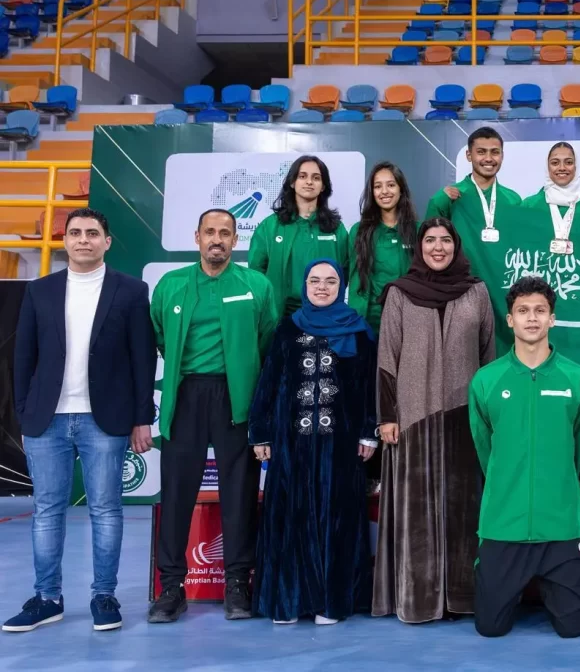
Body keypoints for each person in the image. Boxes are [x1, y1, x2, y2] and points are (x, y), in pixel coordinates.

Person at [5, 208, 156, 634]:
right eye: (75, 233)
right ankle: (47, 598)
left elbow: (142, 358)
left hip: (104, 419)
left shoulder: (131, 290)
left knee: (106, 509)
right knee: (46, 510)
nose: (83, 239)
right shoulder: (40, 290)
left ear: (107, 242)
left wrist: (141, 418)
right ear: (65, 241)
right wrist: (24, 412)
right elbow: (23, 356)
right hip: (47, 418)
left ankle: (104, 597)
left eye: (92, 233)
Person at [148, 209, 279, 624]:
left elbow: (268, 338)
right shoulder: (171, 285)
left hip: (236, 397)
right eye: (210, 232)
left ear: (236, 240)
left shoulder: (256, 285)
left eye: (225, 232)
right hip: (186, 394)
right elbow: (160, 337)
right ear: (197, 237)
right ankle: (171, 587)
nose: (217, 239)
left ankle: (238, 583)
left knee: (240, 494)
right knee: (176, 494)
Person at [372, 217, 495, 624]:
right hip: (413, 417)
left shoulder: (477, 292)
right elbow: (386, 358)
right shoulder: (400, 293)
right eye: (430, 240)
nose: (438, 247)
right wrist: (387, 417)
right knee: (417, 514)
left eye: (445, 240)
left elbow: (489, 356)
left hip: (465, 418)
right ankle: (420, 599)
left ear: (456, 246)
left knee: (463, 510)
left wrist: (488, 416)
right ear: (419, 247)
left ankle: (461, 598)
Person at [249, 260, 377, 625]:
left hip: (341, 444)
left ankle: (329, 602)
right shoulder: (288, 328)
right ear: (304, 285)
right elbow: (268, 381)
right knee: (290, 515)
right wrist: (260, 431)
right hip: (291, 443)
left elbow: (369, 386)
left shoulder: (359, 331)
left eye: (331, 281)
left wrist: (368, 431)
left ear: (341, 286)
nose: (322, 287)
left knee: (335, 518)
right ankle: (287, 602)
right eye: (315, 281)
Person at [468, 276, 580, 638]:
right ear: (510, 320)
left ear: (552, 318)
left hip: (562, 525)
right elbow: (485, 448)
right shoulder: (486, 380)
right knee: (490, 628)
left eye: (540, 310)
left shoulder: (577, 378)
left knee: (573, 629)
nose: (532, 318)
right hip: (504, 523)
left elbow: (578, 445)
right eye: (523, 311)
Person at [249, 155, 349, 315]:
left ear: (323, 186)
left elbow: (345, 269)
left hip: (326, 314)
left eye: (316, 178)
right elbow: (256, 271)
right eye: (302, 176)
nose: (309, 182)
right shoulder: (270, 226)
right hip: (280, 315)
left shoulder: (335, 228)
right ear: (292, 182)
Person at [424, 127, 522, 250]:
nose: (488, 158)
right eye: (481, 152)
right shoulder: (448, 197)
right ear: (469, 155)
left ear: (502, 155)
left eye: (495, 152)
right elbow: (429, 243)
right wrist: (440, 200)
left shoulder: (513, 200)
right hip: (462, 264)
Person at [348, 162, 416, 331]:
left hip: (408, 319)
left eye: (391, 185)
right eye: (378, 186)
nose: (384, 191)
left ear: (401, 189)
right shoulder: (359, 231)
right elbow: (354, 278)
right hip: (369, 321)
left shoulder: (417, 230)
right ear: (372, 192)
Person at [520, 142, 580, 254]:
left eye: (568, 162)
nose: (562, 168)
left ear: (576, 166)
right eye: (555, 163)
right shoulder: (530, 205)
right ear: (547, 167)